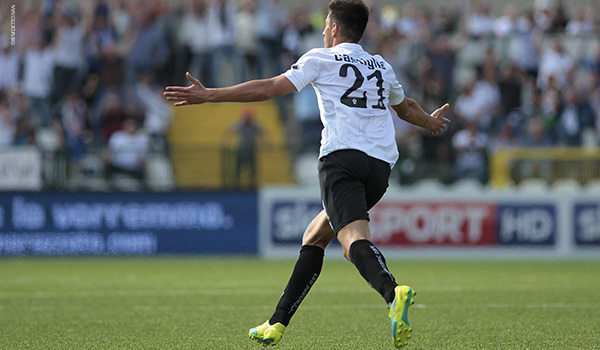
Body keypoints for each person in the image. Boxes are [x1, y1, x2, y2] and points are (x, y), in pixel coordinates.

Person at [164, 0, 450, 348]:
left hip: (342, 159)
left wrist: (211, 95)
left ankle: (393, 292)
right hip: (379, 167)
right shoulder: (381, 66)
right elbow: (406, 109)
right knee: (315, 236)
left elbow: (268, 88)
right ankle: (276, 322)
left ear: (334, 29)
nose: (323, 30)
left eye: (326, 24)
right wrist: (431, 122)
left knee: (351, 242)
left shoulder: (321, 57)